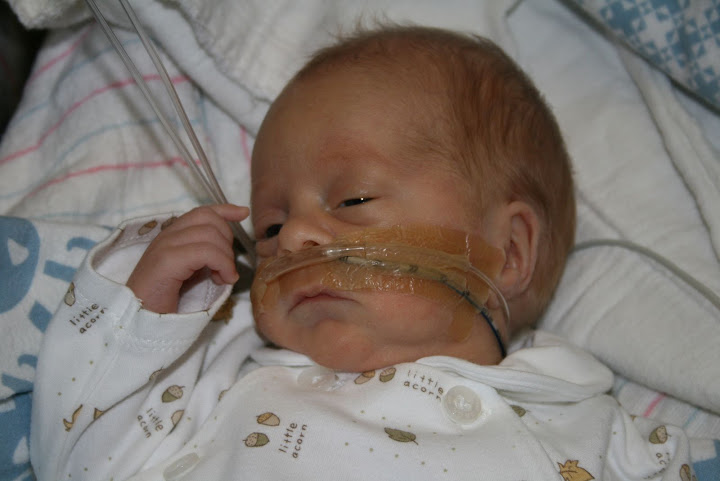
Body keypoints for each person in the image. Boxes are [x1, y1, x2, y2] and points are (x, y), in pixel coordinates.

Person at [31, 26, 692, 481]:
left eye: (352, 200)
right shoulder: (219, 380)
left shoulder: (589, 424)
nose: (294, 238)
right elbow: (83, 462)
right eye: (269, 227)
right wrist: (140, 318)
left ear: (509, 251)